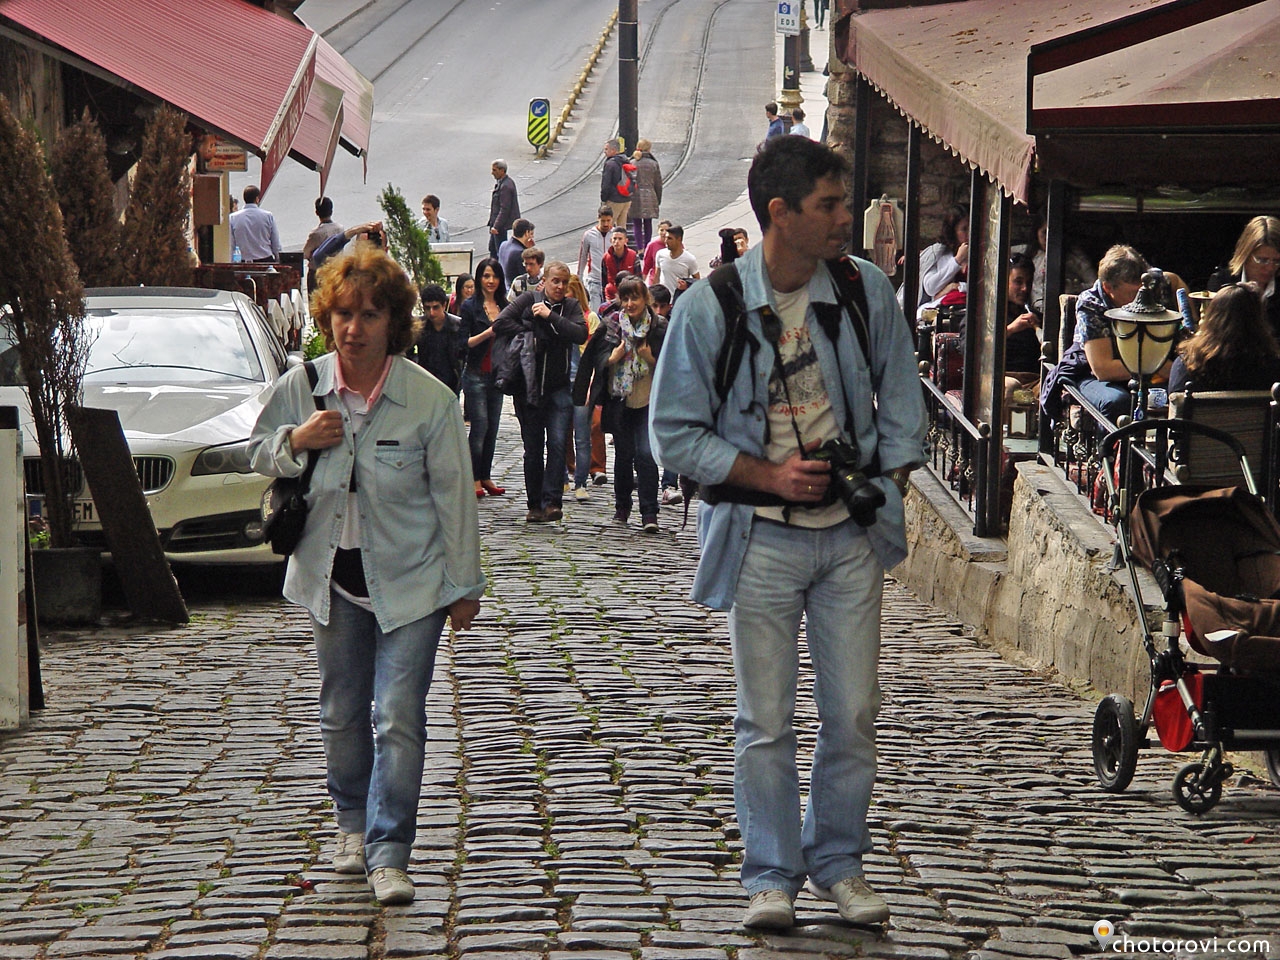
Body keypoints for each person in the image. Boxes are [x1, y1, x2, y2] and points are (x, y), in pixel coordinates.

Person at [649, 135, 926, 931]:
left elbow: (902, 400)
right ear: (780, 213)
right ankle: (771, 875)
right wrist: (767, 476)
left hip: (849, 539)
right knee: (764, 719)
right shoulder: (711, 307)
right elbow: (673, 433)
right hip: (760, 538)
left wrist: (887, 481)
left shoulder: (865, 291)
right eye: (830, 206)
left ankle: (839, 863)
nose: (845, 219)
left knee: (854, 712)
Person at [248, 244, 484, 907]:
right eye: (343, 315)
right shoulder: (304, 386)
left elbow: (455, 498)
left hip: (412, 582)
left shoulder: (428, 400)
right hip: (331, 577)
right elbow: (253, 451)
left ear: (393, 322)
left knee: (399, 715)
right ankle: (352, 823)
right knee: (342, 711)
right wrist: (296, 441)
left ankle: (390, 852)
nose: (354, 329)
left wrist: (464, 587)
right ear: (328, 319)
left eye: (370, 315)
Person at [492, 261, 588, 523]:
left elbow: (580, 333)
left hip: (558, 388)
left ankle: (552, 502)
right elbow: (501, 323)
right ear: (544, 281)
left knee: (557, 444)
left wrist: (550, 316)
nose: (560, 286)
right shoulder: (527, 300)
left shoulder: (570, 306)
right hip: (529, 389)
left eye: (564, 282)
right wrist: (530, 331)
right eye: (555, 281)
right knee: (533, 449)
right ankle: (534, 504)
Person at [579, 276, 666, 531]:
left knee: (647, 455)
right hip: (619, 400)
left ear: (645, 299)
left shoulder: (658, 327)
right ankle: (622, 507)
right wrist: (611, 358)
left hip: (649, 400)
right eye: (625, 299)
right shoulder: (611, 325)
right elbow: (595, 358)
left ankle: (649, 513)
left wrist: (650, 358)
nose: (630, 304)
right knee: (624, 455)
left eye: (634, 298)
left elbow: (672, 363)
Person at [1068, 244, 1154, 421]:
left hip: (1145, 368)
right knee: (1117, 402)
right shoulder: (1091, 303)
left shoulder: (1150, 285)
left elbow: (1171, 279)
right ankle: (1110, 441)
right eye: (1132, 293)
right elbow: (1103, 369)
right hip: (1093, 374)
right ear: (1108, 288)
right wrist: (1156, 366)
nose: (1139, 299)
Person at [1169, 283, 1280, 394]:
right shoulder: (1273, 367)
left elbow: (1175, 400)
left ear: (1212, 317)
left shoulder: (1188, 364)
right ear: (1260, 321)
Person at [460, 257, 509, 499]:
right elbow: (464, 343)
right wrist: (488, 333)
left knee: (492, 429)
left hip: (497, 376)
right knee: (479, 427)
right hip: (475, 374)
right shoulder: (470, 307)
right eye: (486, 276)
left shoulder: (505, 305)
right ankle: (473, 477)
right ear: (479, 278)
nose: (491, 281)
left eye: (495, 276)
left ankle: (486, 474)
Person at [567, 274, 610, 499]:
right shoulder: (557, 316)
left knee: (587, 431)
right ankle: (565, 475)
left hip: (583, 379)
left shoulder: (590, 318)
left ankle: (584, 479)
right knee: (561, 434)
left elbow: (594, 351)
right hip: (564, 381)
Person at [1208, 216, 1280, 341]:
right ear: (1245, 255)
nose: (1270, 268)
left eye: (1277, 261)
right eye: (1262, 260)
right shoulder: (1222, 283)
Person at [902, 205, 968, 313]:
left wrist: (958, 286)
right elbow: (930, 287)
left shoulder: (980, 255)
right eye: (964, 229)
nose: (969, 233)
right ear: (953, 231)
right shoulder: (941, 254)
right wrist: (957, 260)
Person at [410, 283, 466, 395]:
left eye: (436, 307)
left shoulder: (457, 326)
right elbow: (409, 351)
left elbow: (465, 353)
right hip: (425, 381)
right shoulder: (419, 326)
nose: (431, 313)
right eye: (427, 308)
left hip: (451, 383)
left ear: (444, 305)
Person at [1004, 253, 1042, 405]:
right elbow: (970, 350)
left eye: (1029, 282)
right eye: (1018, 282)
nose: (1025, 289)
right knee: (1013, 388)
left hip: (1033, 382)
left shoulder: (1036, 317)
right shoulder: (985, 315)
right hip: (999, 379)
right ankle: (1012, 422)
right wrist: (1010, 329)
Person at [230, 185, 281, 262]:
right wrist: (278, 259)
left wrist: (231, 262)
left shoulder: (233, 218)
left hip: (245, 261)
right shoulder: (268, 216)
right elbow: (275, 243)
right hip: (266, 260)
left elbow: (231, 244)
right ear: (257, 199)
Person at [303, 197, 344, 293]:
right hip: (336, 270)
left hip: (318, 273)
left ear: (316, 212)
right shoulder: (340, 229)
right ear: (331, 211)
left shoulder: (316, 233)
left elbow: (305, 253)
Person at [578, 205, 615, 310]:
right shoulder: (589, 235)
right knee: (595, 310)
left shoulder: (615, 235)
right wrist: (579, 277)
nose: (606, 224)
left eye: (608, 221)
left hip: (611, 281)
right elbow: (583, 256)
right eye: (603, 221)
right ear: (598, 218)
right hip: (594, 279)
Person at [631, 139, 663, 252]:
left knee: (636, 223)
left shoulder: (633, 163)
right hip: (650, 194)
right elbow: (658, 183)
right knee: (648, 223)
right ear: (649, 149)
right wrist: (658, 199)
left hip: (635, 195)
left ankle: (640, 249)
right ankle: (647, 247)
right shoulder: (653, 164)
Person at [655, 224, 700, 299]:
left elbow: (697, 282)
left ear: (679, 239)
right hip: (663, 299)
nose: (666, 241)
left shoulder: (690, 259)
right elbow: (656, 276)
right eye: (666, 237)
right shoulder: (660, 254)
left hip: (680, 299)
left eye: (669, 238)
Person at [488, 159, 520, 259]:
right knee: (493, 249)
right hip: (499, 225)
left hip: (501, 227)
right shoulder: (503, 183)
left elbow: (504, 209)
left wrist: (496, 226)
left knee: (499, 252)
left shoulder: (505, 186)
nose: (492, 173)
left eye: (495, 170)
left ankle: (498, 268)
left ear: (502, 170)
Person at [601, 138, 635, 230]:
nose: (604, 151)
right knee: (622, 227)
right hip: (626, 199)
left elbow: (606, 184)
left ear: (613, 150)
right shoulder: (625, 160)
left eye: (606, 149)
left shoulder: (610, 164)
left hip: (614, 199)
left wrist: (604, 200)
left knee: (607, 226)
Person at [498, 219, 536, 292]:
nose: (532, 237)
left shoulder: (503, 245)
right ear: (526, 233)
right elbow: (528, 276)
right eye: (531, 234)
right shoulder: (520, 253)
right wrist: (529, 251)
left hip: (503, 287)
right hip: (514, 291)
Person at [603, 227, 638, 295]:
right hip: (611, 294)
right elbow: (604, 280)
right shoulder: (606, 257)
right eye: (614, 238)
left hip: (629, 293)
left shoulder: (633, 256)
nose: (617, 241)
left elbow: (638, 278)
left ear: (626, 240)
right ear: (611, 240)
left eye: (620, 239)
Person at [643, 220, 672, 287]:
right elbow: (646, 266)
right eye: (661, 230)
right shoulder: (652, 245)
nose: (664, 233)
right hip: (655, 281)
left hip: (670, 280)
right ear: (658, 231)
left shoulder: (676, 244)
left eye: (666, 230)